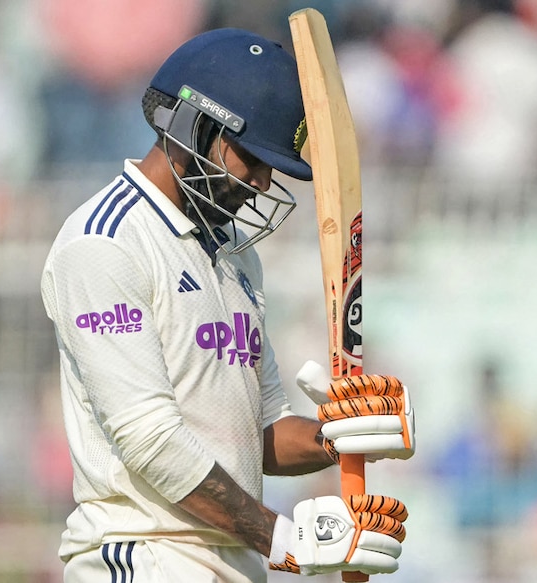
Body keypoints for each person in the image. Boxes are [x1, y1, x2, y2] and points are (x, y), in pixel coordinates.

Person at [40, 27, 416, 582]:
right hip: (143, 556)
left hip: (233, 561)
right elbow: (151, 441)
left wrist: (335, 438)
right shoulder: (105, 243)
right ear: (196, 125)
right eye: (254, 157)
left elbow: (256, 437)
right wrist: (285, 538)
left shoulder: (235, 257)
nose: (263, 183)